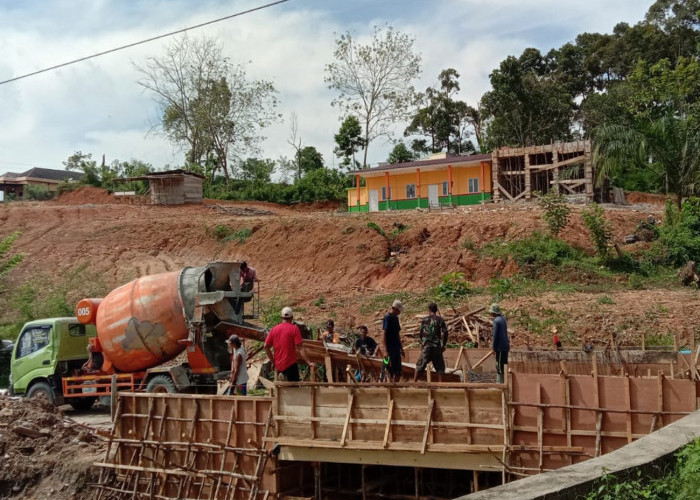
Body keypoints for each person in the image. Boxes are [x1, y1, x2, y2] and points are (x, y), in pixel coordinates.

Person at [264, 307, 307, 382]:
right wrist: (309, 362)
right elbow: (300, 347)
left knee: (281, 390)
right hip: (291, 365)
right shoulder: (294, 329)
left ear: (281, 317)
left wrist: (273, 361)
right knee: (294, 389)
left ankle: (282, 375)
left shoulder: (274, 329)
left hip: (278, 365)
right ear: (292, 317)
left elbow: (266, 346)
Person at [414, 303, 448, 382]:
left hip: (427, 346)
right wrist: (444, 345)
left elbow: (421, 333)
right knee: (440, 367)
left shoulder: (424, 319)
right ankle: (440, 385)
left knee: (419, 365)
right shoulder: (440, 319)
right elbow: (445, 332)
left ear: (429, 310)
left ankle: (414, 383)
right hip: (436, 346)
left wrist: (423, 343)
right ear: (436, 310)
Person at [382, 299, 405, 382]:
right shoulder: (387, 318)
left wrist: (401, 348)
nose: (400, 312)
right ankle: (388, 390)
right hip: (389, 350)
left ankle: (395, 390)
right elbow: (384, 334)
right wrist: (385, 350)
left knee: (398, 371)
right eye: (399, 310)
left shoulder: (396, 319)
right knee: (388, 370)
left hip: (396, 349)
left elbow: (397, 334)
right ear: (395, 308)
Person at [490, 303, 509, 384]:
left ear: (494, 312)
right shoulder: (503, 319)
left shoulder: (496, 320)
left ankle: (500, 383)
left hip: (500, 347)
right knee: (504, 365)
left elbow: (495, 335)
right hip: (505, 346)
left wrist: (493, 348)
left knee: (499, 366)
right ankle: (505, 382)